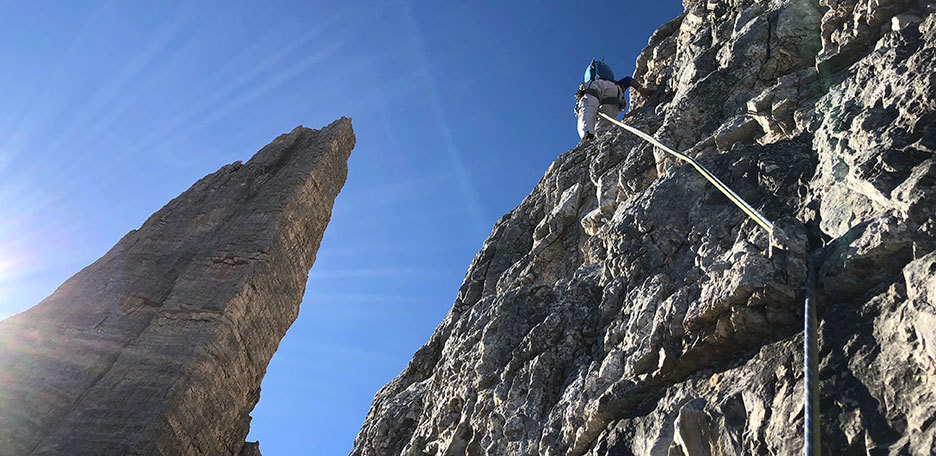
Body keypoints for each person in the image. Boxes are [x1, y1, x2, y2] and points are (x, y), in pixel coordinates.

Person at [575, 59, 653, 142]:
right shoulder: (616, 83)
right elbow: (629, 79)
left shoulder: (592, 82)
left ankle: (587, 135)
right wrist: (640, 89)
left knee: (587, 111)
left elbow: (587, 109)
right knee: (604, 125)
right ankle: (602, 134)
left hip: (593, 87)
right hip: (614, 90)